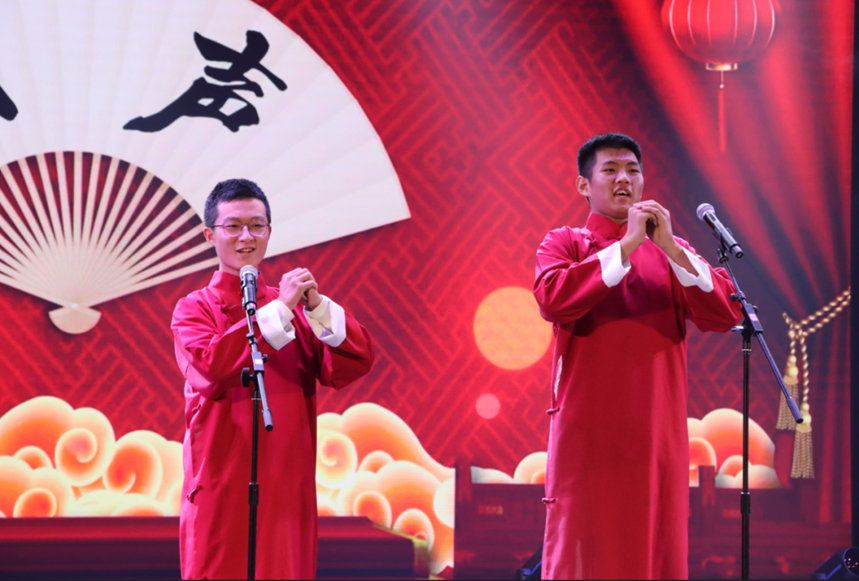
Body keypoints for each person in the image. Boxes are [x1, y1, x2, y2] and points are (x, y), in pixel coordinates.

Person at [533, 134, 742, 580]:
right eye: (609, 170)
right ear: (583, 185)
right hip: (588, 437)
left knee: (656, 548)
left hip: (657, 436)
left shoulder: (672, 251)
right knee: (584, 551)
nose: (623, 179)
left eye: (632, 169)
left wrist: (670, 249)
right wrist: (626, 246)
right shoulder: (566, 243)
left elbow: (725, 313)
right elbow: (552, 299)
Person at [172, 178, 374, 579]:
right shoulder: (194, 309)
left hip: (286, 488)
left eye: (256, 225)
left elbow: (354, 361)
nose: (246, 236)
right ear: (210, 235)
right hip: (220, 483)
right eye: (233, 226)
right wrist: (280, 309)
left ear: (269, 232)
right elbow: (213, 369)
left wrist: (317, 307)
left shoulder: (295, 307)